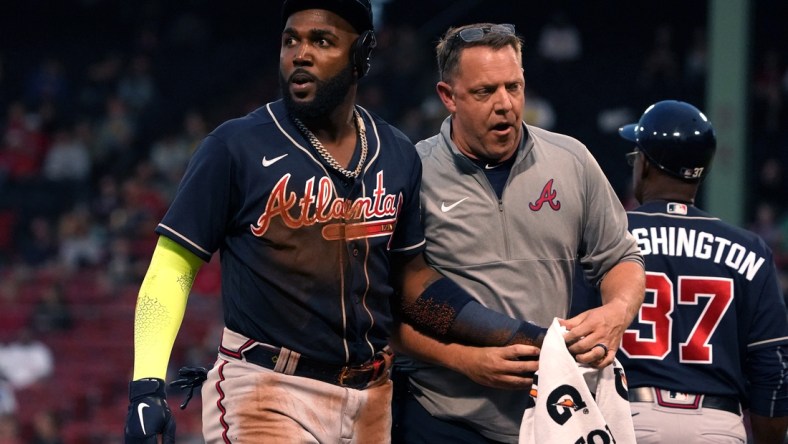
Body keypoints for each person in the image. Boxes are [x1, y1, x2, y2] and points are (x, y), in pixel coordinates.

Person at [123, 4, 556, 444]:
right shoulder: (234, 147)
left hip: (372, 399)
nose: (300, 54)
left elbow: (414, 285)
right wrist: (146, 385)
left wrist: (527, 335)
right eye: (291, 40)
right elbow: (172, 269)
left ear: (362, 53)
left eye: (322, 41)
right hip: (268, 391)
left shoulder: (396, 152)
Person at [390, 23, 645, 443]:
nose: (505, 104)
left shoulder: (571, 159)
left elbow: (621, 258)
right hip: (444, 418)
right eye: (484, 92)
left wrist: (616, 311)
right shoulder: (411, 173)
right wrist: (461, 359)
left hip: (551, 417)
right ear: (448, 97)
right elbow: (383, 312)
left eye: (514, 86)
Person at [615, 100, 788, 443]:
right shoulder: (750, 249)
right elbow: (772, 366)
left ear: (645, 165)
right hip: (717, 425)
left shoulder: (609, 236)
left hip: (629, 418)